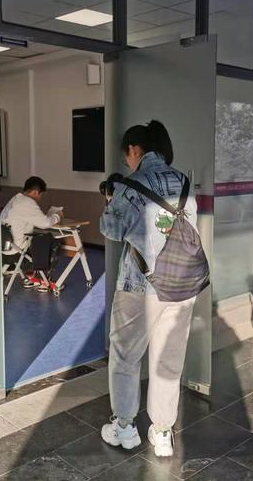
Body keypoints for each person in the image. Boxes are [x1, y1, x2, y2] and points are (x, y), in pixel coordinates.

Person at [99, 120, 198, 458]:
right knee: (168, 359)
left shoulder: (131, 184)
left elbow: (111, 229)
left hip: (139, 285)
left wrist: (110, 200)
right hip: (181, 284)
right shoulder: (184, 181)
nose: (127, 162)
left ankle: (125, 427)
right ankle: (163, 432)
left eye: (126, 155)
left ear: (134, 150)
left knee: (126, 356)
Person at [0, 176, 63, 292]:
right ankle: (43, 280)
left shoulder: (15, 199)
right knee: (54, 243)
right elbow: (45, 223)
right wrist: (57, 216)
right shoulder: (28, 202)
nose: (40, 198)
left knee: (38, 238)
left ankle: (31, 276)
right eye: (40, 195)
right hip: (17, 251)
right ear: (35, 192)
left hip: (4, 248)